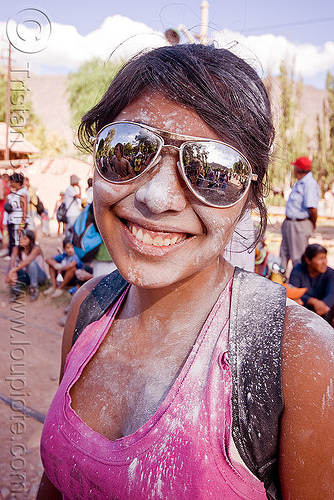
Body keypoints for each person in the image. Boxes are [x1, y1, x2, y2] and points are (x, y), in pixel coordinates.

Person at [37, 45, 333, 500]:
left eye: (212, 171)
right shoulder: (87, 310)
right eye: (128, 150)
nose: (157, 197)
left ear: (249, 201)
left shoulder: (300, 360)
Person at [279, 156, 320, 271]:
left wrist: (312, 224)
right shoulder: (300, 183)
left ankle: (298, 284)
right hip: (290, 222)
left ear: (298, 169)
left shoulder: (309, 184)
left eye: (295, 167)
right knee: (283, 254)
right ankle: (281, 282)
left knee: (297, 257)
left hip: (299, 224)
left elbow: (312, 208)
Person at [289, 243, 334, 325]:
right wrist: (312, 301)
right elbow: (293, 292)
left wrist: (322, 305)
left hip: (323, 313)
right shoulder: (297, 270)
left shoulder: (330, 273)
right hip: (303, 312)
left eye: (325, 258)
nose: (324, 262)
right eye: (320, 258)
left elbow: (332, 294)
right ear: (308, 260)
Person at [6, 229, 47, 301]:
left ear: (30, 240)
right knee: (11, 267)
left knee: (32, 263)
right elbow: (12, 261)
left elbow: (28, 261)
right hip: (26, 276)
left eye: (24, 238)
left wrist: (13, 270)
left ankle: (34, 289)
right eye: (20, 238)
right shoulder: (16, 249)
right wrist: (12, 270)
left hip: (39, 276)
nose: (21, 240)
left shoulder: (36, 248)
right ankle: (15, 290)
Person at [6, 172, 29, 258]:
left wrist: (22, 224)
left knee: (18, 242)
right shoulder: (15, 193)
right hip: (13, 221)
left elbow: (25, 211)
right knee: (14, 241)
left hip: (18, 222)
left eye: (12, 182)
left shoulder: (22, 194)